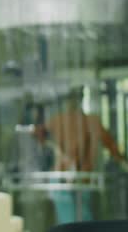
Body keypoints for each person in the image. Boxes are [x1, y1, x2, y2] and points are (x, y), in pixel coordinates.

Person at [35, 88, 128, 224]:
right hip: (67, 178)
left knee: (79, 219)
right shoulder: (59, 120)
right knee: (74, 220)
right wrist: (55, 148)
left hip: (79, 178)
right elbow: (38, 133)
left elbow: (113, 148)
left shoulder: (88, 122)